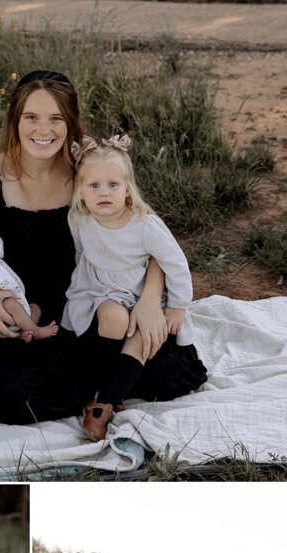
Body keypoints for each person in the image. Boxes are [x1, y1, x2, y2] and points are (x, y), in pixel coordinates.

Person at [0, 69, 170, 425]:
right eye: (31, 117)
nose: (43, 130)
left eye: (56, 118)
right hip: (20, 307)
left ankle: (103, 390)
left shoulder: (89, 168)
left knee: (168, 369)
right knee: (6, 396)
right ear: (15, 120)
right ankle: (102, 388)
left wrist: (148, 302)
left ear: (71, 122)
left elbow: (150, 235)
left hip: (85, 299)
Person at [62, 134, 207, 440]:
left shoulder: (143, 224)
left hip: (139, 294)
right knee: (115, 318)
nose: (104, 193)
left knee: (144, 335)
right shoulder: (80, 220)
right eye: (94, 186)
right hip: (101, 291)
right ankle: (106, 384)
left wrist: (178, 305)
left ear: (127, 189)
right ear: (81, 191)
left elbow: (175, 262)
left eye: (113, 185)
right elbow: (81, 256)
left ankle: (106, 402)